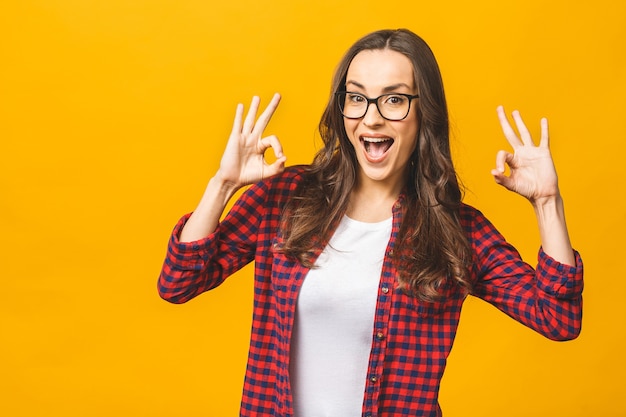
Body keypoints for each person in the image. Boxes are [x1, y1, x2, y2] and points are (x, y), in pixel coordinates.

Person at [158, 28, 583, 417]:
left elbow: (557, 319)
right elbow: (178, 283)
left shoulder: (456, 230)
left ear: (424, 114)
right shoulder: (286, 198)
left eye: (394, 99)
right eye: (357, 97)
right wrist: (222, 185)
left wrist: (548, 203)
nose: (372, 117)